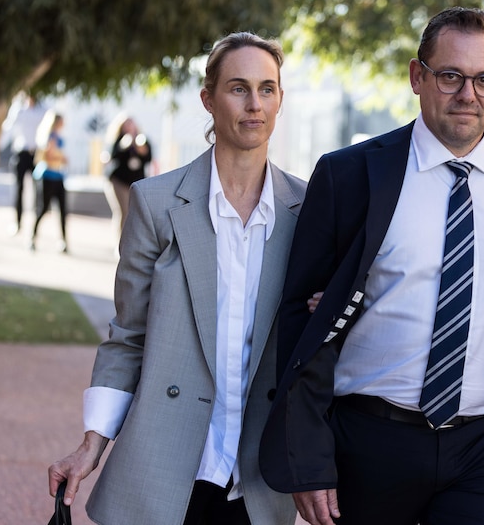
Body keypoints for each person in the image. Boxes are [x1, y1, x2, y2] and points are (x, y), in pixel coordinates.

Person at [259, 7, 484, 525]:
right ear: (417, 77)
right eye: (450, 75)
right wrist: (310, 457)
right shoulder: (350, 178)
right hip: (369, 441)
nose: (467, 94)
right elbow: (302, 323)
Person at [48, 31, 305, 525]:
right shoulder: (156, 202)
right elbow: (128, 337)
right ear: (208, 99)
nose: (255, 104)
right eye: (238, 88)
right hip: (168, 468)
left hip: (257, 480)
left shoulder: (307, 209)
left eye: (267, 89)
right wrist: (91, 446)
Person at [103, 112, 153, 234]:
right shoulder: (119, 141)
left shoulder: (142, 140)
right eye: (126, 124)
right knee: (123, 211)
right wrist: (124, 145)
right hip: (119, 181)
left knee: (135, 214)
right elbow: (114, 157)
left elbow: (148, 158)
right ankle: (120, 244)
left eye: (131, 124)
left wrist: (140, 149)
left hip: (136, 182)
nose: (130, 127)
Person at [4, 94, 46, 233]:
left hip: (36, 154)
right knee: (19, 189)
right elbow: (8, 127)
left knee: (38, 190)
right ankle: (17, 222)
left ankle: (34, 226)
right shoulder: (19, 110)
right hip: (21, 153)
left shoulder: (41, 110)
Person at [31, 112, 68, 253]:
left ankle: (63, 240)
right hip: (47, 176)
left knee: (62, 210)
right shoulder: (50, 136)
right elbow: (50, 154)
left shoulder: (57, 136)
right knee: (43, 208)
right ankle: (33, 237)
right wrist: (62, 157)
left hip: (58, 175)